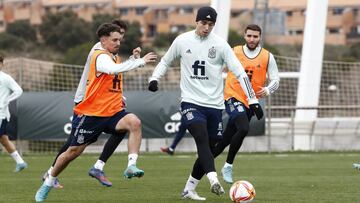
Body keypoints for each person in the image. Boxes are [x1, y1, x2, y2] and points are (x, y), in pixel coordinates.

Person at [148, 7, 263, 201]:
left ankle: (189, 189)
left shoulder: (220, 45)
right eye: (203, 23)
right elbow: (166, 61)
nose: (206, 28)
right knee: (200, 137)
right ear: (196, 21)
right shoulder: (182, 41)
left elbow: (240, 72)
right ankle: (213, 180)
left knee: (209, 149)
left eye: (210, 25)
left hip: (215, 106)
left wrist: (252, 100)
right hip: (191, 101)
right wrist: (154, 78)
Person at [35, 23, 157, 202]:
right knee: (73, 151)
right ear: (103, 40)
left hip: (113, 111)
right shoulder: (99, 56)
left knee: (134, 122)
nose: (118, 43)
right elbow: (112, 70)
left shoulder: (113, 56)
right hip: (92, 113)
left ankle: (131, 165)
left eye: (120, 40)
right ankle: (49, 180)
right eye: (115, 39)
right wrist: (140, 61)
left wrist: (133, 59)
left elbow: (117, 71)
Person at [42, 20, 132, 189]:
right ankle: (51, 172)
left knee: (124, 126)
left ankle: (98, 166)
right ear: (107, 36)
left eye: (122, 37)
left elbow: (110, 80)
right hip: (87, 101)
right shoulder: (99, 51)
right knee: (74, 145)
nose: (120, 40)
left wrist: (119, 95)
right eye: (117, 36)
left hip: (102, 101)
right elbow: (105, 73)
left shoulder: (110, 51)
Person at [197, 24, 280, 185]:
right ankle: (228, 166)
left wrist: (268, 90)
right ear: (244, 35)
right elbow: (214, 69)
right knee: (243, 128)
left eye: (255, 36)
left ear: (260, 37)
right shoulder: (233, 51)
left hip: (251, 102)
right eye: (249, 36)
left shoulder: (267, 56)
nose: (252, 39)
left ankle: (195, 176)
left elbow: (275, 79)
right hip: (232, 96)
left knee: (223, 143)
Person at [0, 55, 27, 172]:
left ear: (2, 64)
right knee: (4, 140)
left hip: (1, 114)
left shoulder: (5, 78)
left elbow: (18, 90)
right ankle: (20, 162)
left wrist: (7, 100)